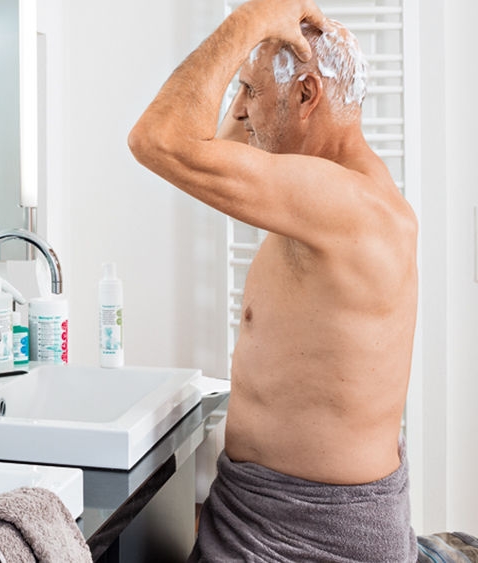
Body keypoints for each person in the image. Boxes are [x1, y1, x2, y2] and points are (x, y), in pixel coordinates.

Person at [128, 1, 418, 561]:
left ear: (307, 96)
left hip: (315, 535)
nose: (239, 112)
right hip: (252, 507)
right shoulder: (313, 186)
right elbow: (212, 144)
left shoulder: (348, 202)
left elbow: (157, 139)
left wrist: (251, 19)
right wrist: (258, 79)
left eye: (249, 95)